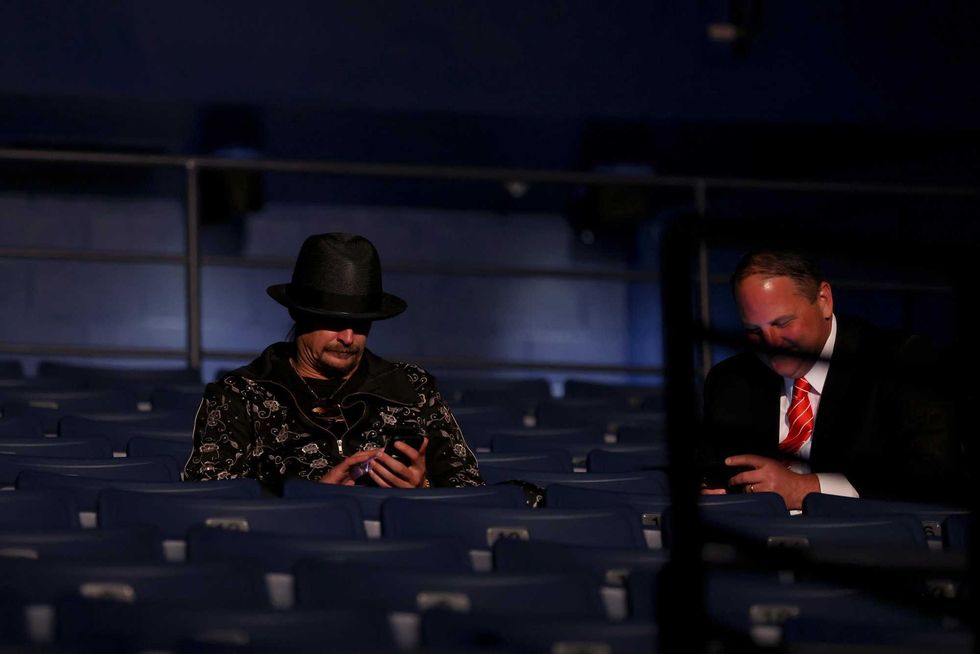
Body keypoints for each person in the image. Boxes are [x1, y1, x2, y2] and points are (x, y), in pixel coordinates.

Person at [183, 232, 484, 493]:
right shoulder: (239, 394)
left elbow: (469, 489)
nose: (349, 337)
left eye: (363, 323)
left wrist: (423, 487)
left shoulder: (412, 387)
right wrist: (306, 496)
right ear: (298, 313)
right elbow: (209, 493)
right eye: (333, 321)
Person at [699, 249, 962, 510]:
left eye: (783, 323)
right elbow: (716, 473)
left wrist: (807, 489)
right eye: (754, 330)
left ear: (824, 300)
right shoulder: (730, 380)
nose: (770, 344)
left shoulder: (896, 361)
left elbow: (934, 474)